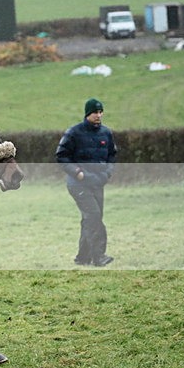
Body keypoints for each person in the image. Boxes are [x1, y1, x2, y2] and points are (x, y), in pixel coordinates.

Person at [56, 98, 118, 267]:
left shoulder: (106, 133)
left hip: (98, 183)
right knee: (94, 216)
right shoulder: (74, 132)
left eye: (100, 112)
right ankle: (99, 256)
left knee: (90, 219)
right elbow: (61, 156)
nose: (98, 115)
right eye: (95, 112)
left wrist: (108, 172)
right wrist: (78, 173)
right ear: (87, 114)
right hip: (78, 184)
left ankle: (82, 258)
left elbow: (112, 155)